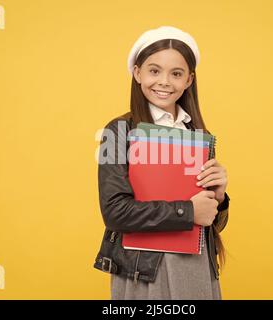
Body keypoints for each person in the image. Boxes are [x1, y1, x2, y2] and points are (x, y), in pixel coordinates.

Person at [93, 26, 230, 300]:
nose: (165, 82)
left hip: (196, 268)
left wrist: (219, 197)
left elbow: (210, 223)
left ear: (189, 80)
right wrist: (189, 211)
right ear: (137, 73)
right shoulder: (117, 132)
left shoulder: (197, 135)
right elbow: (115, 212)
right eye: (154, 71)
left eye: (176, 74)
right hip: (143, 271)